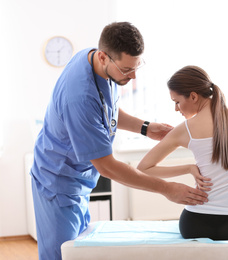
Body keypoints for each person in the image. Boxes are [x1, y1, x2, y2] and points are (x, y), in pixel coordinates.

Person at [30, 22, 208, 260]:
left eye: (136, 67)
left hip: (77, 182)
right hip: (57, 182)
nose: (133, 76)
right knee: (61, 255)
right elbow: (107, 166)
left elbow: (106, 110)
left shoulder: (93, 59)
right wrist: (167, 189)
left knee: (78, 252)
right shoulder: (79, 96)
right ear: (104, 57)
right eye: (126, 70)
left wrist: (144, 128)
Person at [137, 65, 228, 240]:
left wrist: (188, 168)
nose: (176, 109)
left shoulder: (184, 129)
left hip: (195, 223)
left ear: (193, 96)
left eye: (177, 102)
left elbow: (143, 168)